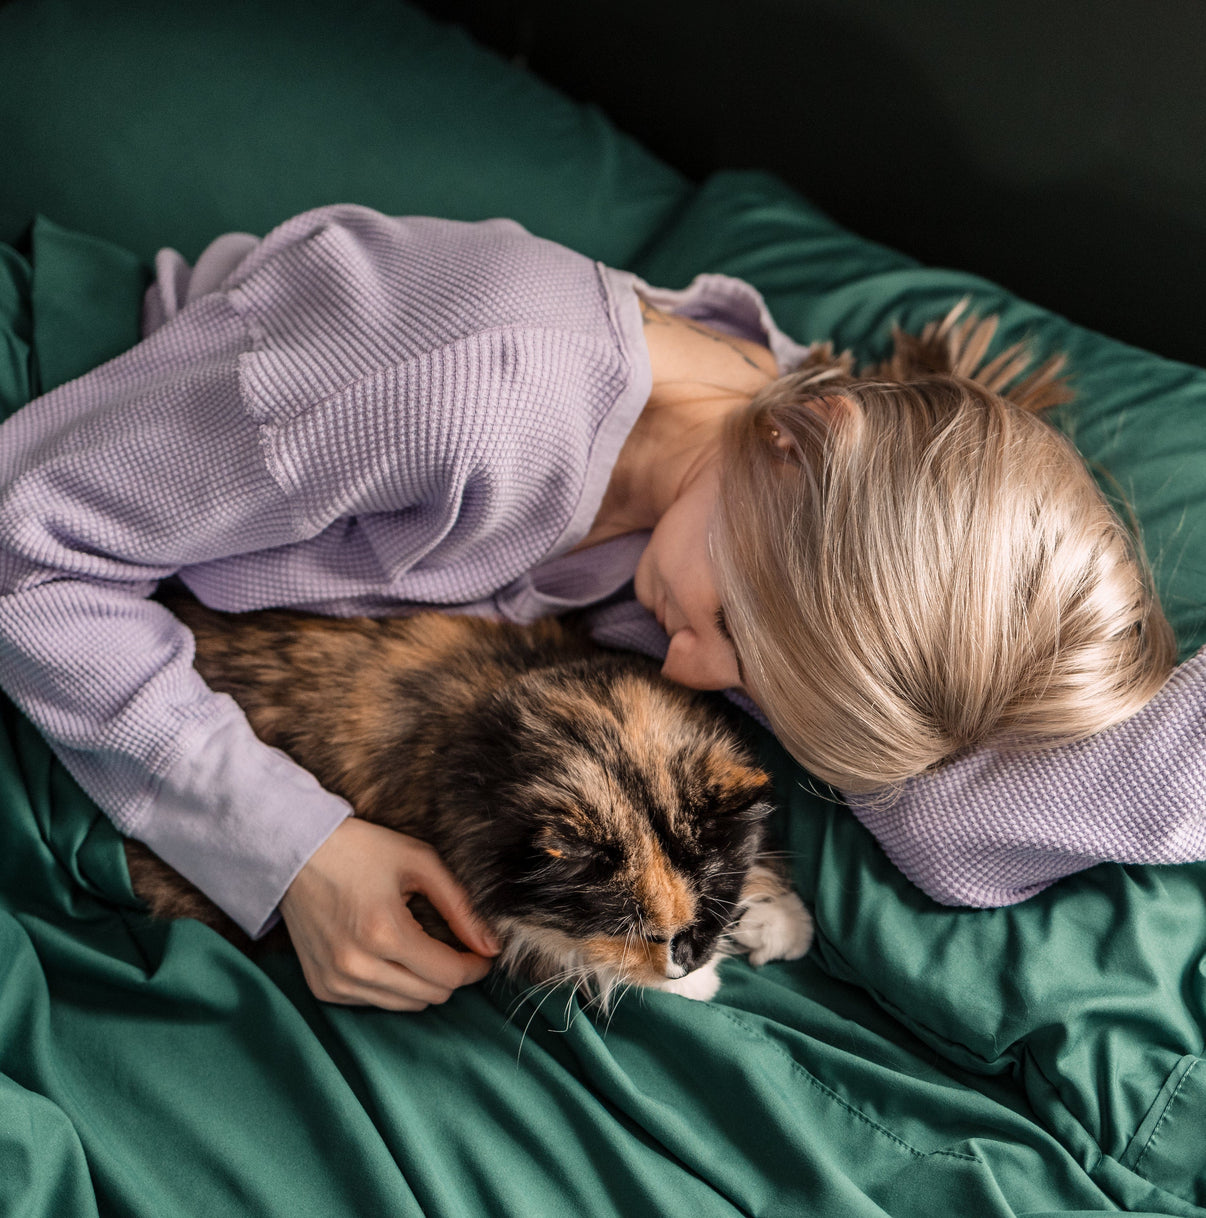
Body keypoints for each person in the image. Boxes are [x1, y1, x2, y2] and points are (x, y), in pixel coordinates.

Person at [0, 205, 1176, 1011]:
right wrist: (295, 851)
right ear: (801, 442)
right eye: (741, 636)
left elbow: (952, 837)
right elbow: (25, 553)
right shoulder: (456, 387)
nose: (707, 679)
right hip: (64, 425)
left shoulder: (772, 489)